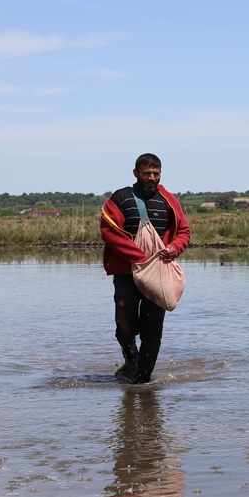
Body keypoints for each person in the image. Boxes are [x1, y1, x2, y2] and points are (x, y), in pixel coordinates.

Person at [100, 154, 191, 383]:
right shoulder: (119, 198)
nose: (152, 178)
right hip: (126, 271)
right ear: (136, 173)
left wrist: (174, 248)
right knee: (125, 324)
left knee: (153, 329)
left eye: (156, 173)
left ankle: (142, 380)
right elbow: (109, 232)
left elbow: (184, 232)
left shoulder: (169, 200)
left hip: (159, 272)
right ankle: (131, 358)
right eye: (147, 173)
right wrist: (140, 258)